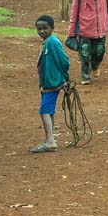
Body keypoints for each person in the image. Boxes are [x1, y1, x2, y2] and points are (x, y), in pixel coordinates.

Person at [32, 15, 70, 154]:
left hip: (53, 83)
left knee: (44, 111)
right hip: (47, 83)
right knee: (49, 110)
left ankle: (50, 141)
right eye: (39, 28)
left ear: (52, 28)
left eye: (45, 28)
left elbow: (64, 61)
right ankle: (49, 138)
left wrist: (65, 79)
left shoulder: (52, 42)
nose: (41, 31)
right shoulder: (47, 42)